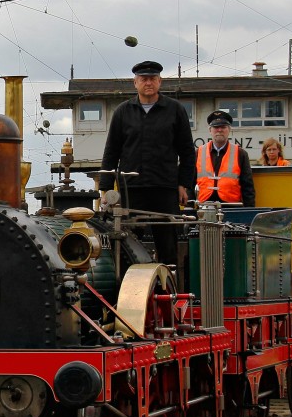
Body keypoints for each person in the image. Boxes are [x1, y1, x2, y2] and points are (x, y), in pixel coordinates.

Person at [98, 60, 197, 265]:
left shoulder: (175, 110)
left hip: (165, 187)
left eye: (153, 79)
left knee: (168, 242)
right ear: (135, 83)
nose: (148, 83)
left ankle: (168, 290)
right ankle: (129, 289)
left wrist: (184, 184)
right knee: (129, 243)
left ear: (160, 82)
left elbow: (187, 151)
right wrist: (105, 189)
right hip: (131, 188)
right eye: (144, 79)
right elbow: (111, 152)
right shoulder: (122, 112)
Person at [196, 110, 256, 207]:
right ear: (210, 130)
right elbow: (190, 184)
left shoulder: (241, 154)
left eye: (223, 127)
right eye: (216, 127)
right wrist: (189, 207)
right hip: (203, 207)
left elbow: (248, 187)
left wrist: (249, 212)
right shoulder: (198, 153)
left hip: (232, 207)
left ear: (229, 130)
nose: (219, 130)